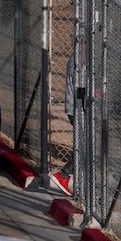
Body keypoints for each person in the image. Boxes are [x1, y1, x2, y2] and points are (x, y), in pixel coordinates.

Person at [48, 53, 76, 195]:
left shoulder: (81, 58)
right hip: (78, 109)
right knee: (85, 147)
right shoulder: (79, 60)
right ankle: (62, 175)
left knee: (86, 146)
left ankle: (70, 177)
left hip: (78, 108)